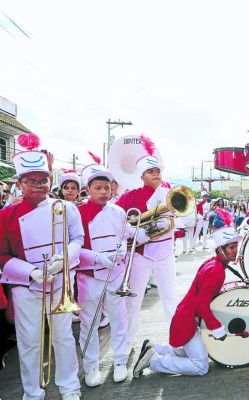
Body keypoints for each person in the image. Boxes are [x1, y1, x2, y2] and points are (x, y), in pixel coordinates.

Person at [0, 133, 83, 400]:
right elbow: (1, 255)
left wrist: (64, 259)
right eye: (32, 181)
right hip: (27, 286)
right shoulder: (5, 215)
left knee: (63, 338)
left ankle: (70, 387)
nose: (39, 185)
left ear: (50, 180)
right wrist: (31, 272)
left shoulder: (67, 208)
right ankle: (32, 393)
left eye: (43, 180)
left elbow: (78, 239)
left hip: (60, 281)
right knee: (30, 343)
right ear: (20, 183)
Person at [132, 226, 242, 377]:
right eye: (231, 247)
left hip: (185, 316)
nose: (235, 251)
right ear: (220, 249)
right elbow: (201, 303)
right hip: (188, 320)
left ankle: (154, 348)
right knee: (201, 366)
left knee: (183, 352)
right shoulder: (217, 270)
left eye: (236, 247)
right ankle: (153, 360)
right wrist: (216, 327)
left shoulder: (213, 263)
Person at [115, 135, 179, 348]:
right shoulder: (129, 197)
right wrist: (135, 232)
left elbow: (186, 217)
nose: (156, 175)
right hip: (141, 253)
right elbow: (117, 223)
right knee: (133, 300)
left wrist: (172, 223)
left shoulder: (170, 193)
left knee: (171, 298)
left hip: (166, 252)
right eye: (151, 172)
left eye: (158, 171)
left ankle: (178, 339)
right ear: (142, 176)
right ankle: (127, 341)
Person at [76, 163, 129, 387]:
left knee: (119, 318)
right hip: (89, 274)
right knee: (90, 322)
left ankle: (120, 360)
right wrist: (98, 258)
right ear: (88, 190)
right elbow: (73, 246)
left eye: (107, 187)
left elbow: (125, 237)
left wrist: (123, 252)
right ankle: (90, 365)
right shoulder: (77, 212)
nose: (104, 192)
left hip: (115, 272)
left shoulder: (118, 211)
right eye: (98, 188)